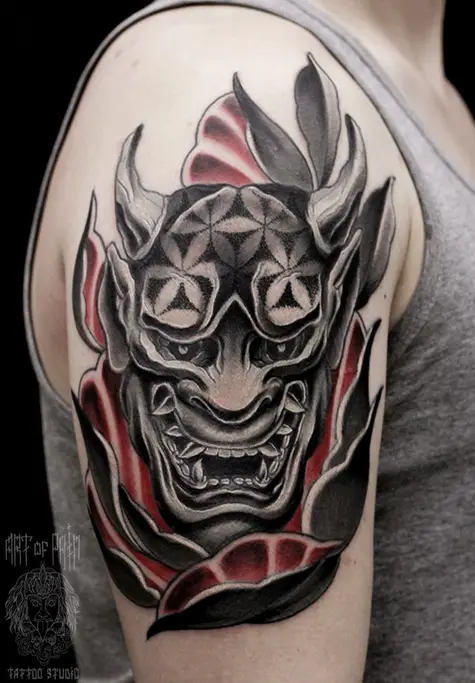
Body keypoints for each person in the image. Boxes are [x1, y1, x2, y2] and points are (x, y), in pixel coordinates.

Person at [23, 1, 474, 681]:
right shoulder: (216, 66)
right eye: (182, 319)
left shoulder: (435, 99)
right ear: (118, 314)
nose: (233, 395)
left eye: (287, 309)